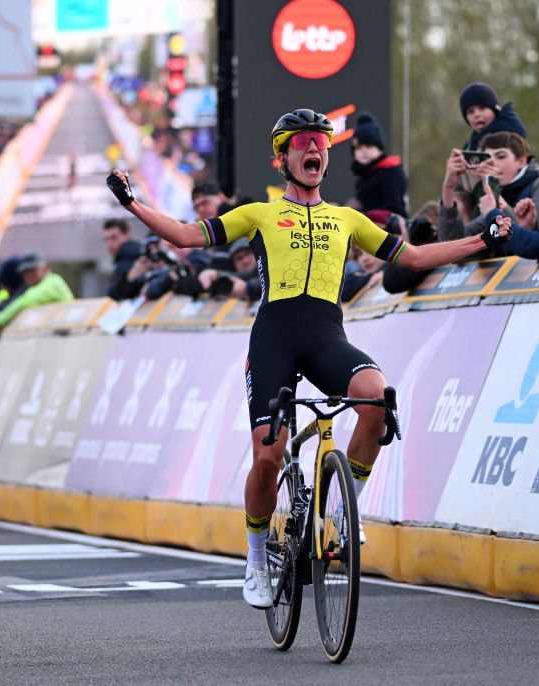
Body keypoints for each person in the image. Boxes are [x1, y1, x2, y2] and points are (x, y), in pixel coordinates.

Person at [106, 108, 511, 609]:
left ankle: (341, 514)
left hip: (325, 338)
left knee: (378, 401)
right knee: (268, 456)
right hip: (273, 341)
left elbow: (413, 258)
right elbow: (188, 236)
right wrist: (132, 203)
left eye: (320, 142)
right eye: (301, 143)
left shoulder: (348, 219)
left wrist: (482, 239)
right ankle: (256, 558)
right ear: (282, 158)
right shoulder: (257, 213)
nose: (313, 149)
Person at [350, 111, 407, 217]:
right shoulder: (364, 177)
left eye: (368, 146)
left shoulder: (390, 174)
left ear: (379, 149)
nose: (363, 151)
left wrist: (360, 215)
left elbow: (393, 211)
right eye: (358, 148)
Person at [458, 81, 527, 151]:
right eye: (470, 112)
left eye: (482, 108)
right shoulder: (471, 144)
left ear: (494, 110)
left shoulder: (509, 136)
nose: (476, 115)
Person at [103, 218, 144, 301]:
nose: (110, 244)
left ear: (127, 235)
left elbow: (116, 292)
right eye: (107, 239)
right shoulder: (124, 257)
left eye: (114, 238)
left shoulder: (128, 256)